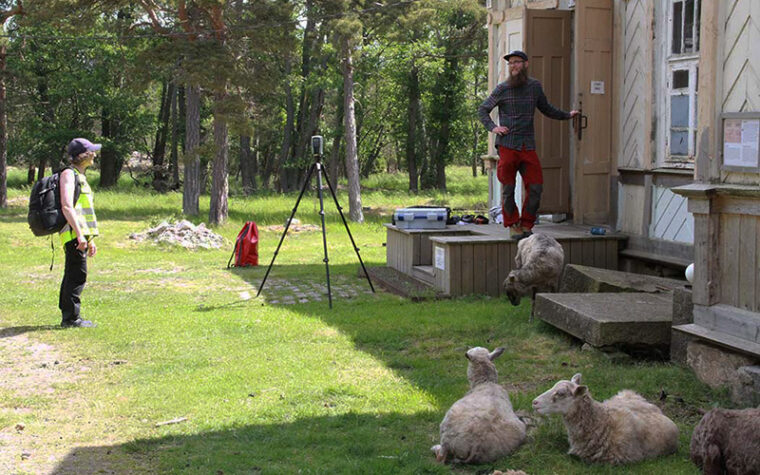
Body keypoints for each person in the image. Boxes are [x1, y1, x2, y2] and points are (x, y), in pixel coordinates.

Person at [478, 50, 579, 239]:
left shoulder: (534, 87)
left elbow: (546, 108)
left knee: (535, 187)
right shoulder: (502, 88)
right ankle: (512, 224)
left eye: (517, 62)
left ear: (526, 64)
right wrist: (493, 128)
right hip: (507, 145)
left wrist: (567, 115)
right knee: (507, 189)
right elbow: (483, 109)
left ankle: (526, 224)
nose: (514, 66)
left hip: (527, 145)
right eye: (510, 63)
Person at [58, 138, 101, 328]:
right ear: (82, 155)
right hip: (73, 233)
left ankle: (68, 315)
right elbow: (67, 206)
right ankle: (71, 318)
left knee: (73, 273)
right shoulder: (69, 174)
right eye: (91, 151)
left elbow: (83, 210)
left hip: (80, 234)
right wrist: (79, 234)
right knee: (77, 275)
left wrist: (89, 238)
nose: (94, 154)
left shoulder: (80, 176)